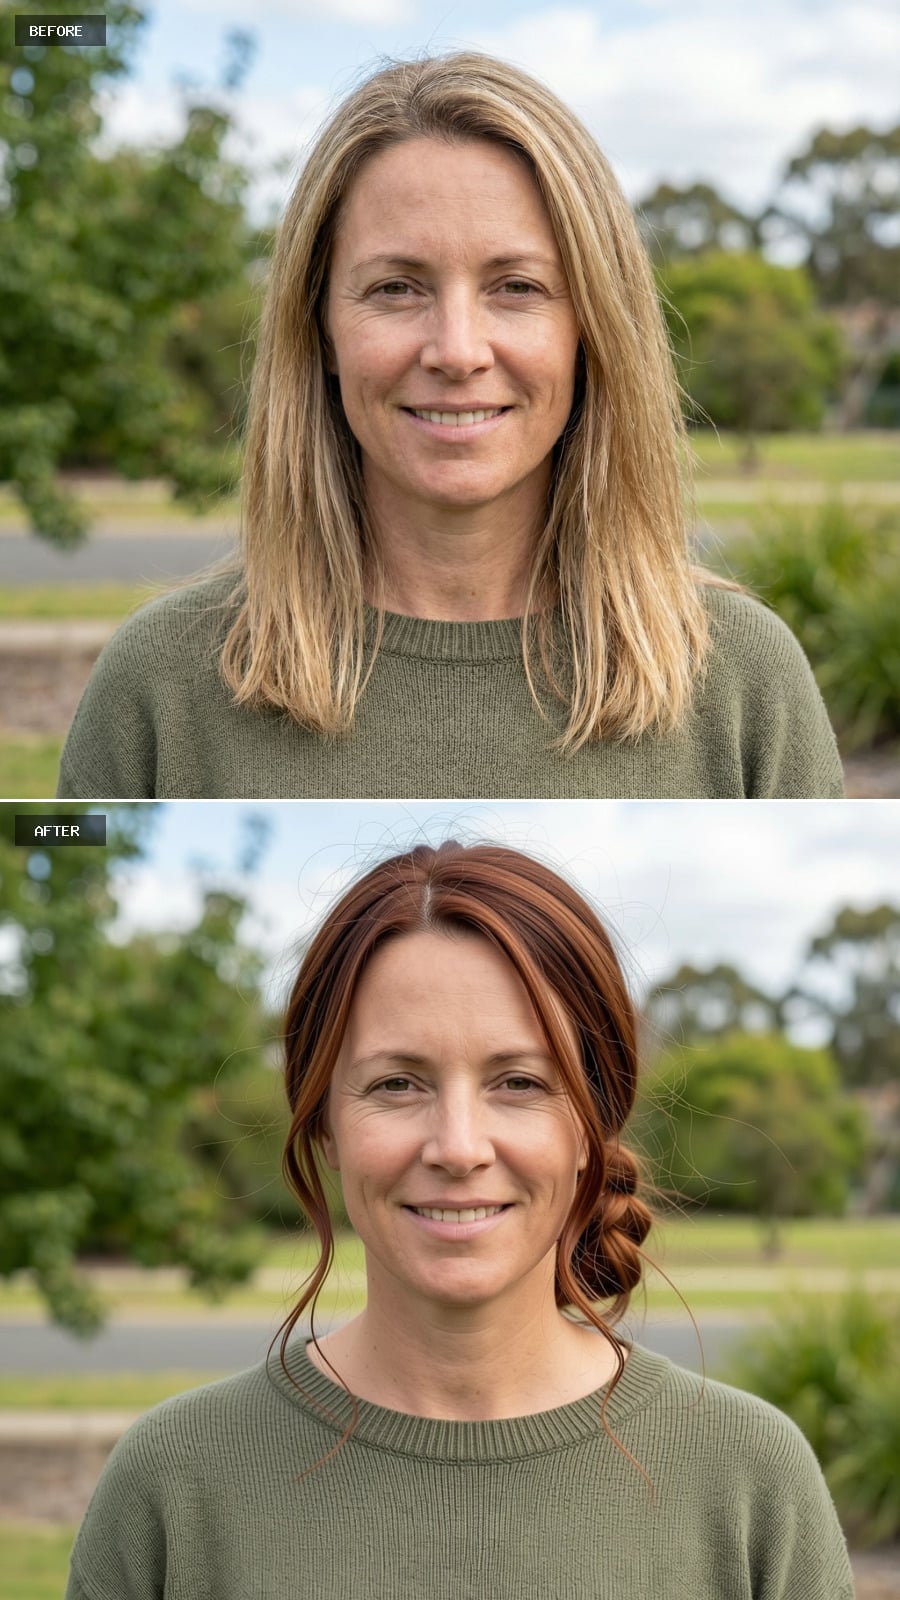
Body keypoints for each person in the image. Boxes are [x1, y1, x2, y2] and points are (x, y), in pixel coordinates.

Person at [66, 841, 854, 1600]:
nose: (458, 1146)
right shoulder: (173, 1483)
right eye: (398, 1085)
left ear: (590, 1126)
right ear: (322, 1127)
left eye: (517, 1082)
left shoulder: (751, 1479)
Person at [57, 52, 842, 800]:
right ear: (319, 327)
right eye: (396, 287)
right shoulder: (159, 686)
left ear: (592, 329)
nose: (457, 351)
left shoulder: (743, 679)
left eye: (517, 287)